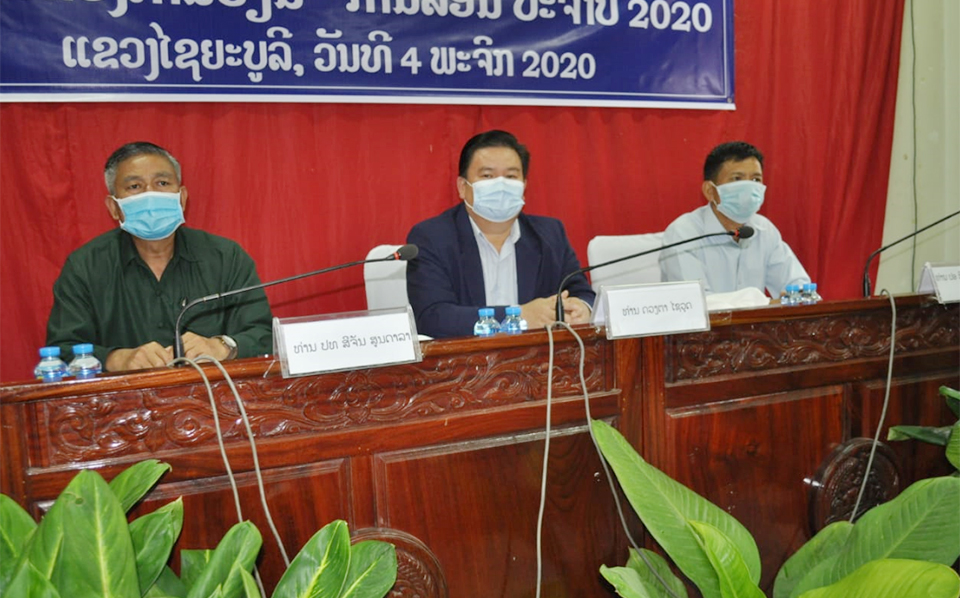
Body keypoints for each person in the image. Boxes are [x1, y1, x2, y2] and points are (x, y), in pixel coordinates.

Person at [45, 141, 273, 372]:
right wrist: (116, 359)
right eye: (135, 186)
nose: (150, 195)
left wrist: (223, 347)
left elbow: (264, 336)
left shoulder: (225, 257)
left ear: (182, 198)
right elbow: (62, 350)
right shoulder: (85, 267)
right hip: (127, 394)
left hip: (214, 392)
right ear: (114, 207)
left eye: (162, 183)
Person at [406, 130, 595, 338]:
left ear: (523, 186)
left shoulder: (550, 234)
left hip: (540, 356)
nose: (501, 186)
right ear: (462, 187)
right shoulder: (432, 238)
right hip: (468, 357)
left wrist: (581, 308)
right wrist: (519, 317)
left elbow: (583, 293)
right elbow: (432, 318)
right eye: (487, 176)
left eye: (511, 176)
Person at [658, 141, 810, 296]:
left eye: (756, 180)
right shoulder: (683, 234)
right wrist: (761, 303)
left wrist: (797, 296)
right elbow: (697, 301)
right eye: (737, 178)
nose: (749, 188)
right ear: (710, 191)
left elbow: (799, 287)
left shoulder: (764, 230)